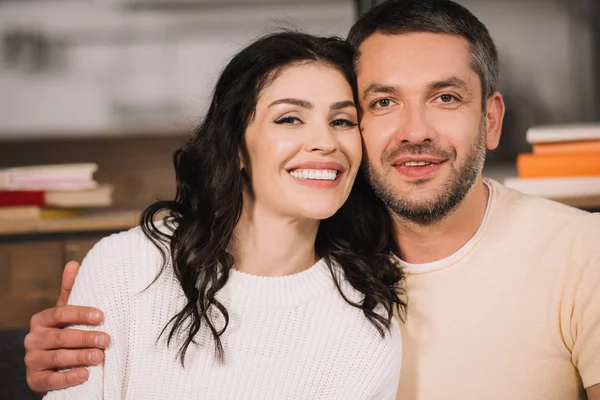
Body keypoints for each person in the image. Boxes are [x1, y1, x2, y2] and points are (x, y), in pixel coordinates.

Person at [25, 0, 600, 399]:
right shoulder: (144, 265)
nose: (414, 130)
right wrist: (66, 349)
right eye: (381, 104)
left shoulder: (580, 252)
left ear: (491, 119)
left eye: (446, 97)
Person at [31, 31, 407, 399]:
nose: (326, 142)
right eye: (289, 118)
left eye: (342, 121)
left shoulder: (366, 324)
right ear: (237, 147)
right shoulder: (127, 266)